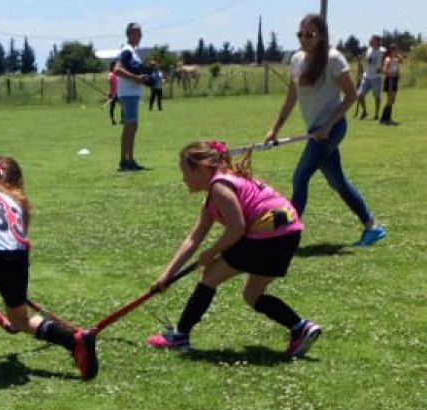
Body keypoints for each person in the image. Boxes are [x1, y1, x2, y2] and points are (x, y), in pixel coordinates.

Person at [146, 141, 321, 358]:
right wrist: (166, 276)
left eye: (185, 172)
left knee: (209, 276)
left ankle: (180, 336)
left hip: (266, 235)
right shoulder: (223, 188)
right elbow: (194, 238)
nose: (183, 179)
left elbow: (236, 227)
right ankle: (300, 328)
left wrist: (212, 253)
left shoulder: (219, 186)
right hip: (288, 233)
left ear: (201, 169)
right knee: (252, 295)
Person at [0, 156, 99, 380]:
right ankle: (73, 340)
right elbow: (14, 241)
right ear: (17, 180)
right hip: (17, 259)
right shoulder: (21, 204)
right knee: (20, 321)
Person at [267, 13, 386, 247]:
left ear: (321, 36)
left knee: (300, 176)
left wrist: (328, 126)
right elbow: (291, 98)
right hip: (315, 130)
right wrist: (274, 130)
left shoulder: (334, 59)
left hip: (333, 127)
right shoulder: (297, 60)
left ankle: (287, 235)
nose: (304, 38)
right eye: (300, 34)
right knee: (337, 181)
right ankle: (371, 226)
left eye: (309, 34)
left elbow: (351, 97)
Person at [114, 22, 148, 171]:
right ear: (130, 34)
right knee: (131, 126)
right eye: (137, 33)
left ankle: (126, 159)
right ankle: (127, 160)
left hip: (131, 94)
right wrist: (135, 78)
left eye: (140, 33)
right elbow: (117, 70)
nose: (140, 36)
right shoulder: (127, 50)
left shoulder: (133, 52)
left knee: (130, 126)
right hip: (128, 94)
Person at [356, 35, 386, 120]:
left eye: (371, 40)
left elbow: (388, 59)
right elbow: (368, 62)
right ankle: (364, 112)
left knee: (377, 96)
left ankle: (376, 114)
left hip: (376, 77)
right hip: (367, 76)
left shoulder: (383, 51)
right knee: (360, 95)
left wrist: (383, 68)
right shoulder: (369, 50)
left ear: (377, 41)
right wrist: (361, 62)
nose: (369, 42)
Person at [379, 45, 402, 126]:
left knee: (392, 101)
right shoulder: (387, 59)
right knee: (389, 100)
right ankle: (385, 119)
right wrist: (390, 73)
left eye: (396, 50)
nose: (396, 52)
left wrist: (397, 55)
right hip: (390, 80)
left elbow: (401, 60)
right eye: (394, 50)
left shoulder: (395, 59)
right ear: (391, 51)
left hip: (395, 79)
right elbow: (384, 70)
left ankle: (386, 119)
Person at [106, 61, 120, 125]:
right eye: (115, 66)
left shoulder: (117, 74)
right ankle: (112, 120)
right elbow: (109, 80)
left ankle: (123, 119)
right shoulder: (111, 74)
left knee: (124, 106)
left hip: (118, 93)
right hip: (112, 94)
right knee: (112, 107)